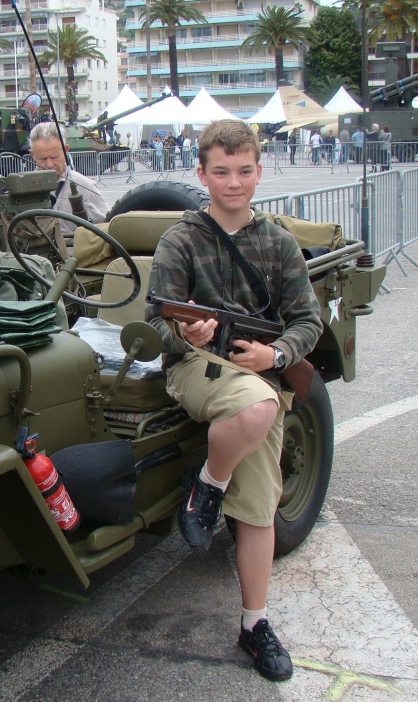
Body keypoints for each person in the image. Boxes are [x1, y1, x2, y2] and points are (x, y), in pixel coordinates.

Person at [146, 119, 322, 682]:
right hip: (198, 368)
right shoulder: (182, 239)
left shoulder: (276, 242)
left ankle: (254, 625)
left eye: (244, 171)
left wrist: (276, 357)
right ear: (201, 174)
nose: (233, 183)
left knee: (261, 505)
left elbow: (308, 320)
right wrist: (186, 335)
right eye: (220, 172)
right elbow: (158, 319)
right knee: (259, 407)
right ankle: (208, 487)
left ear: (258, 172)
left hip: (260, 370)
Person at [29, 121, 108, 234]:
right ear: (32, 155)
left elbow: (105, 229)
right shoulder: (22, 188)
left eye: (54, 157)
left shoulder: (85, 187)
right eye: (43, 159)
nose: (49, 164)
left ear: (66, 150)